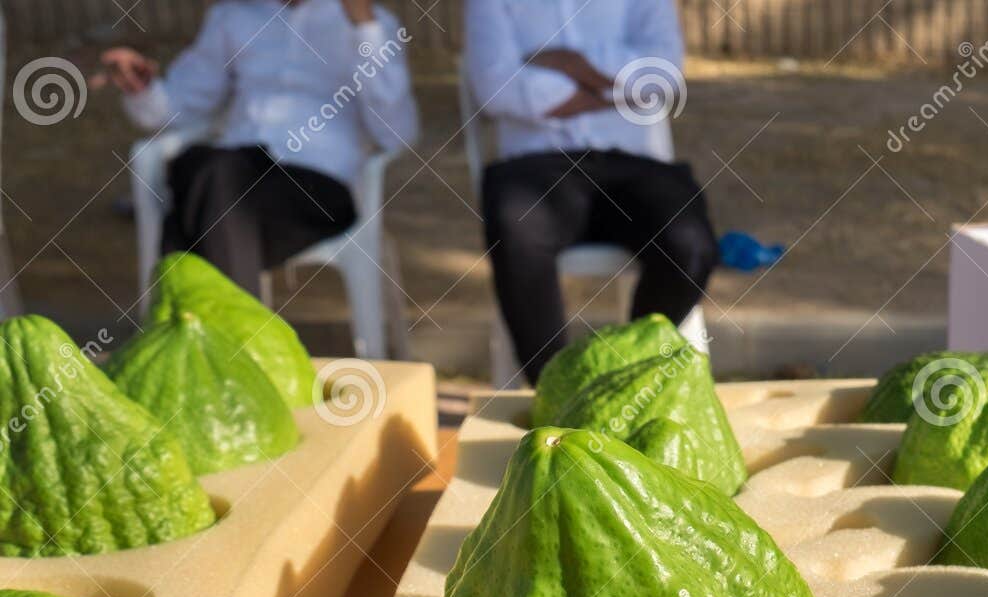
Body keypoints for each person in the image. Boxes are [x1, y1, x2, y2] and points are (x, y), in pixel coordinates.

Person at [464, 0, 718, 383]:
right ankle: (559, 391)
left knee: (690, 244)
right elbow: (496, 88)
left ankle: (633, 377)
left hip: (637, 165)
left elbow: (664, 73)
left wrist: (572, 64)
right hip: (536, 167)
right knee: (516, 233)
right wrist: (615, 90)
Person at [99, 0, 419, 299]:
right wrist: (142, 89)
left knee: (192, 204)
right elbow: (176, 106)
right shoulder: (233, 16)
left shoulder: (373, 26)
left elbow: (397, 133)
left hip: (316, 189)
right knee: (210, 178)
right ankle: (240, 344)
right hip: (233, 176)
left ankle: (190, 335)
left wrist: (364, 26)